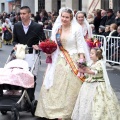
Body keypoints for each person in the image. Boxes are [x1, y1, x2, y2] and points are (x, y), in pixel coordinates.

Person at [34, 7, 90, 120]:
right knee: (54, 83)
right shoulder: (57, 29)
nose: (64, 19)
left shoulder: (76, 29)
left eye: (67, 17)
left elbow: (80, 45)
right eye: (62, 16)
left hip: (72, 59)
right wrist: (47, 51)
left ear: (71, 18)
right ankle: (50, 110)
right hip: (58, 59)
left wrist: (81, 60)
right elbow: (53, 43)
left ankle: (66, 112)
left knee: (70, 85)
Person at [72, 47, 120, 120]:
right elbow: (88, 74)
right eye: (90, 53)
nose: (90, 55)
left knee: (98, 103)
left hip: (98, 85)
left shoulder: (100, 64)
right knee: (86, 102)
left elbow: (94, 72)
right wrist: (82, 69)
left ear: (97, 55)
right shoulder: (90, 63)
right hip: (89, 85)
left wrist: (85, 70)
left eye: (92, 54)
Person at [13, 6, 46, 101]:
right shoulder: (17, 26)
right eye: (20, 14)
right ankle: (20, 97)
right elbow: (14, 40)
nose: (22, 16)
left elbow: (43, 40)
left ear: (29, 14)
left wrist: (39, 46)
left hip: (32, 55)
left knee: (31, 77)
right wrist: (15, 45)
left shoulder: (37, 26)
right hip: (19, 55)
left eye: (24, 13)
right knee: (19, 75)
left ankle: (30, 98)